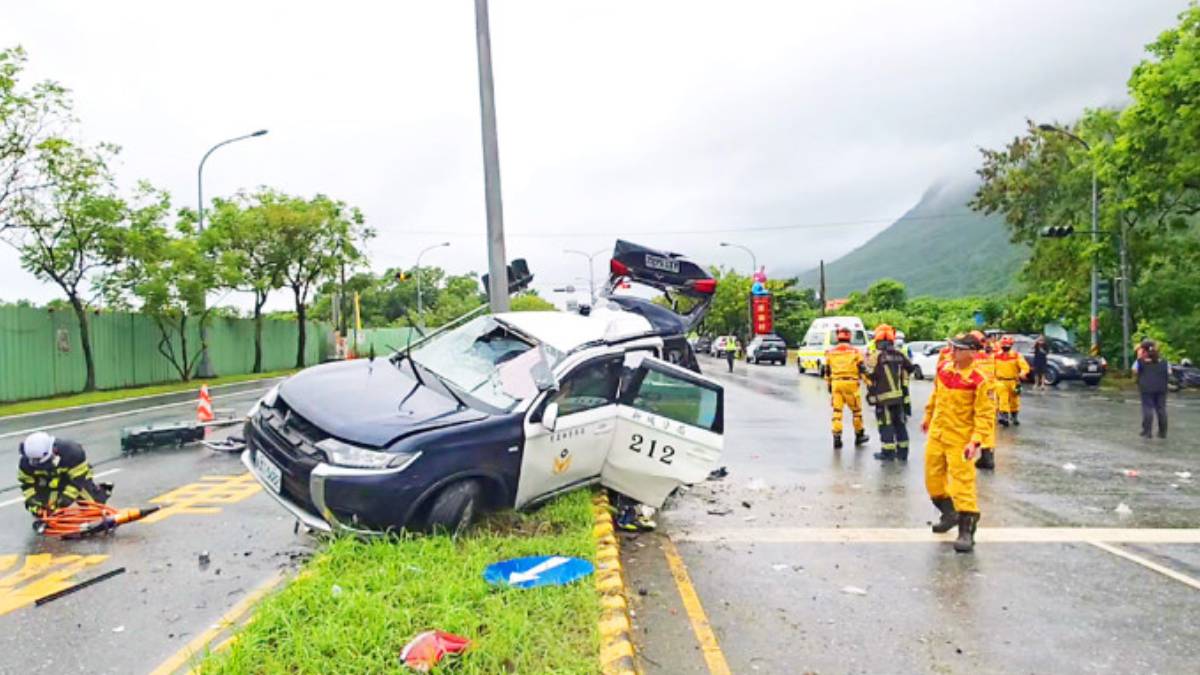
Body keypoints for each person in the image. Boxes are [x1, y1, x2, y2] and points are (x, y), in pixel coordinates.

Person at [922, 333, 995, 553]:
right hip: (938, 433)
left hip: (960, 439)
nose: (951, 352)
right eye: (951, 347)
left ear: (972, 352)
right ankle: (949, 513)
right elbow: (936, 395)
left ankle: (966, 531)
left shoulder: (980, 380)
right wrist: (928, 417)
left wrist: (976, 441)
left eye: (957, 349)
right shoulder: (944, 369)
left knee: (963, 484)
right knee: (932, 479)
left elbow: (985, 415)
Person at [17, 432, 111, 525]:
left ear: (53, 450)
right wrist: (33, 503)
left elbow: (78, 480)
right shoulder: (25, 463)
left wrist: (65, 500)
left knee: (94, 508)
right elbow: (27, 485)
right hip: (49, 483)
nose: (37, 464)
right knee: (47, 512)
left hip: (74, 479)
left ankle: (100, 491)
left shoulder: (72, 452)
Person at [865, 324, 914, 462]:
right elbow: (910, 368)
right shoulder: (900, 355)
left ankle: (888, 453)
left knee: (886, 424)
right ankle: (903, 453)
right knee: (900, 424)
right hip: (899, 398)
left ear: (878, 342)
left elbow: (870, 375)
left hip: (883, 399)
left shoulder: (876, 357)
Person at [824, 326, 869, 449]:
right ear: (850, 337)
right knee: (856, 411)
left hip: (836, 384)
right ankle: (859, 435)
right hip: (851, 384)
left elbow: (827, 371)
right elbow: (862, 369)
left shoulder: (831, 353)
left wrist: (829, 385)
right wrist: (869, 384)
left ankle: (837, 436)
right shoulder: (855, 352)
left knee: (837, 412)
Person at [971, 330, 999, 470]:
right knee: (988, 424)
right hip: (990, 393)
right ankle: (987, 455)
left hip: (976, 394)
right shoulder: (992, 355)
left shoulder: (972, 356)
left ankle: (976, 455)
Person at [1133, 339, 1169, 439]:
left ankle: (1147, 432)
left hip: (1146, 388)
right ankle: (1162, 432)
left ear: (1144, 351)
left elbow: (1134, 371)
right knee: (1161, 409)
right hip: (1161, 388)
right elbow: (1169, 372)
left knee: (1147, 408)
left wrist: (1139, 357)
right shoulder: (1164, 361)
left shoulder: (1140, 362)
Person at [994, 336, 1031, 427]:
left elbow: (1024, 367)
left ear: (1011, 345)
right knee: (1003, 399)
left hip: (1014, 381)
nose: (1005, 346)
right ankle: (1004, 417)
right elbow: (991, 367)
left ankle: (1014, 416)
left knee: (1014, 400)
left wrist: (1023, 373)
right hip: (1000, 381)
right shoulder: (996, 356)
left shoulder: (1016, 355)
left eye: (1007, 345)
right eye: (1004, 344)